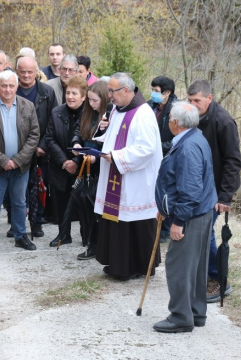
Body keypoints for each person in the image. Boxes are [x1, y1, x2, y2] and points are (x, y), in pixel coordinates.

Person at [153, 101, 217, 333]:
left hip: (191, 215)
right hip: (201, 212)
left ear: (176, 122)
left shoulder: (189, 147)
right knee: (196, 266)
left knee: (179, 265)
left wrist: (178, 221)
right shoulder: (195, 137)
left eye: (170, 117)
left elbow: (190, 191)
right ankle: (196, 312)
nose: (168, 120)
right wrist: (165, 205)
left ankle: (181, 316)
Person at [93, 72, 163, 280]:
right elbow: (113, 136)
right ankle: (118, 264)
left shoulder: (143, 113)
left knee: (133, 222)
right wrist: (98, 138)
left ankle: (138, 266)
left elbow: (146, 149)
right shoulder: (117, 109)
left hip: (136, 180)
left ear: (126, 91)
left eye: (112, 91)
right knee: (117, 220)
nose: (109, 96)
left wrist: (115, 156)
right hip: (117, 175)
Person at [187, 79, 241, 303]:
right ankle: (207, 274)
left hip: (215, 190)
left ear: (209, 98)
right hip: (197, 187)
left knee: (206, 232)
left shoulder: (223, 121)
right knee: (199, 232)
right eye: (189, 100)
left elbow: (232, 161)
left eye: (197, 100)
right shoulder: (193, 118)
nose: (192, 104)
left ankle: (219, 279)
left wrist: (225, 196)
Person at [0, 70, 40, 255]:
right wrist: (3, 160)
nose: (7, 89)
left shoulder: (28, 106)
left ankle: (20, 236)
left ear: (17, 86)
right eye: (3, 85)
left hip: (20, 167)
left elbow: (34, 135)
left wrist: (17, 160)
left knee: (20, 202)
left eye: (11, 85)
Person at [15, 55, 57, 237]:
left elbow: (53, 121)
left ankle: (37, 222)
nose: (26, 75)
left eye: (29, 72)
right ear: (17, 72)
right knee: (16, 190)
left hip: (41, 152)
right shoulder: (11, 90)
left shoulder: (47, 92)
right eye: (22, 71)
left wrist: (42, 145)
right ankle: (16, 224)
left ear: (36, 72)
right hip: (16, 151)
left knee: (39, 187)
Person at [71, 80, 112, 259]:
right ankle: (89, 242)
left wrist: (99, 155)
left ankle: (99, 245)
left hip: (102, 168)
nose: (91, 103)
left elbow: (111, 141)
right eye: (89, 100)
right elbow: (77, 131)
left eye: (95, 100)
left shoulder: (110, 116)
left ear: (103, 99)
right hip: (86, 166)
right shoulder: (87, 113)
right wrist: (76, 143)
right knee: (86, 209)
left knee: (99, 210)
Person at [45, 76, 87, 246]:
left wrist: (76, 161)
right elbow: (49, 139)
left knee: (83, 203)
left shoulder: (89, 114)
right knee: (60, 202)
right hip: (60, 166)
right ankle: (63, 234)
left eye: (74, 93)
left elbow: (88, 140)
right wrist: (65, 161)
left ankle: (87, 236)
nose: (70, 96)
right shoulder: (57, 112)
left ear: (83, 96)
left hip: (82, 166)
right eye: (68, 92)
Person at [148, 75, 178, 243]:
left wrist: (158, 146)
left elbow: (178, 138)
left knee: (167, 193)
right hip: (152, 157)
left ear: (167, 92)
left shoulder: (176, 109)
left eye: (156, 91)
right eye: (152, 90)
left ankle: (165, 230)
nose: (153, 94)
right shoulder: (149, 105)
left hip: (168, 155)